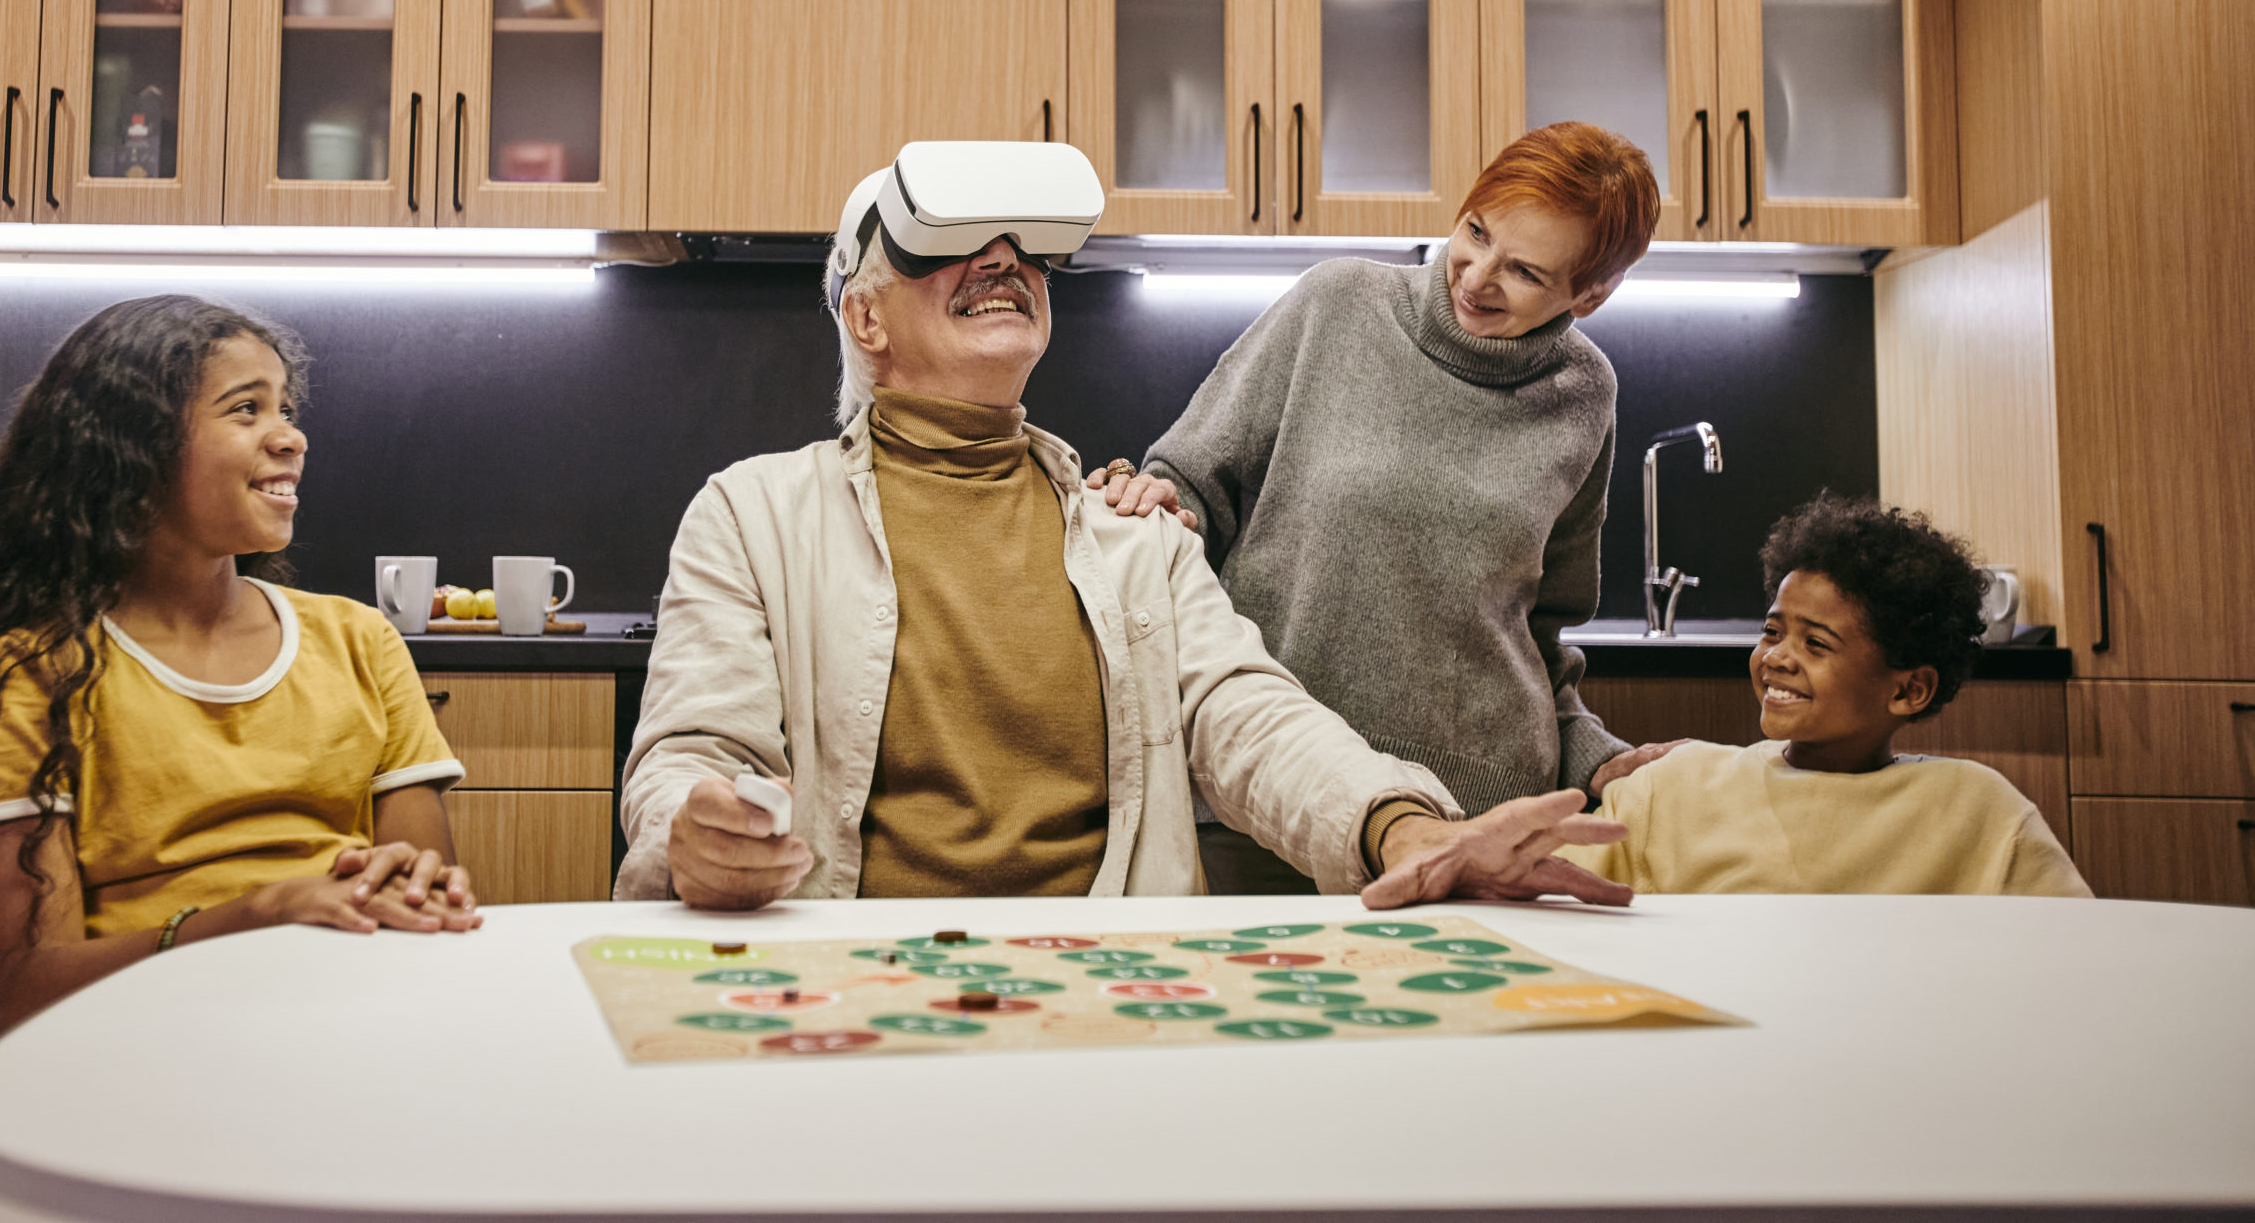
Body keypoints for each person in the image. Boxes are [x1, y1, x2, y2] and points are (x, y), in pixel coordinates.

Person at [619, 141, 1631, 912]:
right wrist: (690, 830)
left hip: (1106, 983)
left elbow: (1249, 716)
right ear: (866, 320)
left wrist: (1401, 828)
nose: (1002, 259)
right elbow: (692, 750)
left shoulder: (1128, 538)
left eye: (1021, 248)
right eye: (951, 246)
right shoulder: (750, 515)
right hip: (860, 975)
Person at [0, 296, 483, 1033]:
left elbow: (422, 906)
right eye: (247, 409)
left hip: (353, 1018)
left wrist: (414, 898)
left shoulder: (359, 640)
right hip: (143, 1042)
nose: (291, 437)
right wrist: (258, 914)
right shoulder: (30, 676)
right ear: (133, 446)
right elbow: (26, 992)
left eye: (285, 407)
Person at [1091, 122, 1681, 891]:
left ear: (1590, 293)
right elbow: (1190, 483)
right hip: (1268, 800)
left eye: (1526, 271)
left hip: (1478, 819)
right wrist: (1157, 499)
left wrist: (1596, 756)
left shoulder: (1584, 393)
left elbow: (1539, 630)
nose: (1475, 276)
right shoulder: (1336, 305)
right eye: (1475, 230)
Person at [1558, 495, 2090, 896]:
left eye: (1816, 643)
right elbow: (1551, 902)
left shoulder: (1979, 812)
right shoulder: (1669, 789)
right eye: (1771, 632)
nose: (1777, 658)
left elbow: (2073, 947)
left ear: (1908, 689)